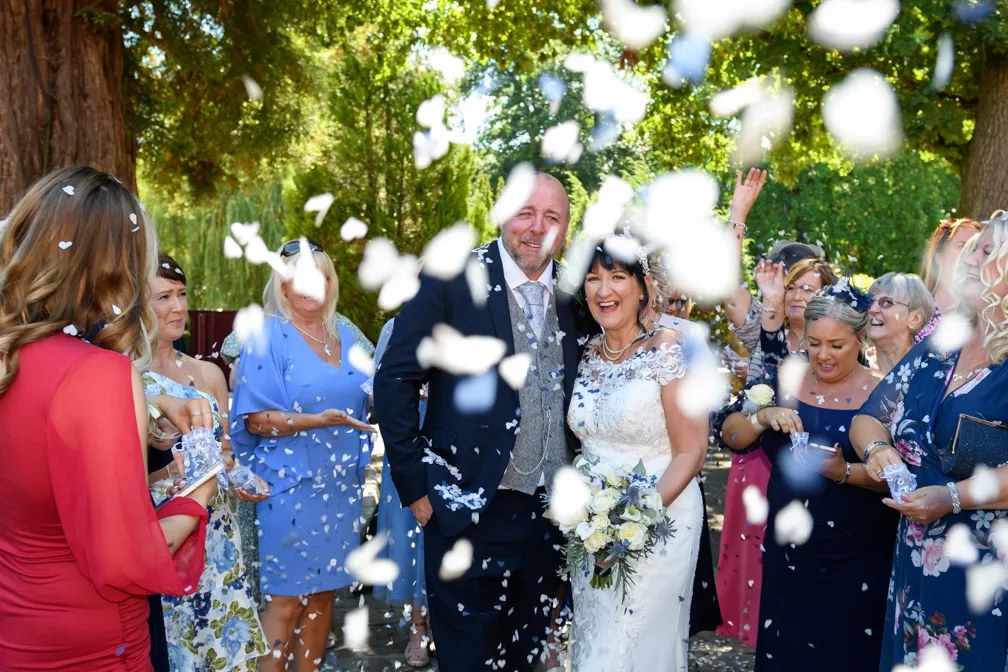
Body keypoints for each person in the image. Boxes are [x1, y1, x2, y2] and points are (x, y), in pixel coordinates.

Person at [0, 166, 216, 670]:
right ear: (117, 266)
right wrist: (202, 488)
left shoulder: (13, 360)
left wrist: (149, 405)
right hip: (93, 644)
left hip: (17, 630)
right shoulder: (99, 374)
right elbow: (130, 559)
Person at [374, 172, 582, 672]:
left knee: (526, 656)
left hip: (551, 517)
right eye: (525, 213)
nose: (536, 228)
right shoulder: (450, 279)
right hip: (463, 504)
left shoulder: (579, 290)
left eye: (551, 217)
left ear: (565, 228)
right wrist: (417, 488)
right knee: (466, 659)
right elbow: (394, 380)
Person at [717, 279, 899, 671]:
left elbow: (898, 480)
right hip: (790, 555)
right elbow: (730, 434)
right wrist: (761, 416)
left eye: (837, 345)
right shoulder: (785, 378)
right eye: (814, 343)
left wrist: (845, 472)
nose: (823, 355)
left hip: (858, 558)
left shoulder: (886, 394)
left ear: (861, 338)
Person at [852, 215, 1008, 670]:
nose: (971, 259)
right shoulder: (943, 341)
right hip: (917, 554)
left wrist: (952, 497)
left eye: (988, 252)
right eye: (973, 249)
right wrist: (879, 452)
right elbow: (868, 417)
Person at [229, 239, 375, 672]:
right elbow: (254, 420)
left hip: (340, 487)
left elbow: (369, 397)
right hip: (289, 488)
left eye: (323, 275)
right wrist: (317, 420)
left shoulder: (345, 334)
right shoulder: (268, 336)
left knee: (324, 598)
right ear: (284, 285)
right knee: (288, 601)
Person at [567, 238, 707, 671]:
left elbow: (692, 451)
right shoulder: (587, 354)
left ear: (643, 286)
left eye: (616, 277)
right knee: (595, 641)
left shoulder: (670, 348)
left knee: (635, 648)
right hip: (591, 528)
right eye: (593, 278)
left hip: (659, 519)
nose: (603, 290)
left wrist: (633, 522)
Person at [144, 253, 269, 671]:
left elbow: (226, 452)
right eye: (163, 297)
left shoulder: (209, 373)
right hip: (165, 532)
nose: (178, 307)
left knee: (218, 648)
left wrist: (241, 475)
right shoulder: (123, 375)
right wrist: (166, 469)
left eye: (180, 294)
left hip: (217, 536)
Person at [712, 255, 839, 648]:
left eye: (810, 288)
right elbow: (729, 289)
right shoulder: (767, 332)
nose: (798, 295)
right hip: (756, 462)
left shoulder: (838, 350)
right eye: (794, 286)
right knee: (755, 566)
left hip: (806, 471)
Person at [369, 316, 431, 668]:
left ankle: (449, 620)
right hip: (408, 433)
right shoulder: (398, 326)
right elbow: (379, 395)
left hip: (458, 434)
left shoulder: (473, 319)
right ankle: (418, 626)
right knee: (411, 532)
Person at [867, 272, 935, 375]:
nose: (872, 309)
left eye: (886, 302)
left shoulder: (931, 372)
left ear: (915, 319)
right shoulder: (852, 364)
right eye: (869, 301)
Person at [920, 217, 982, 314]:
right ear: (938, 256)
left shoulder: (986, 318)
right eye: (962, 246)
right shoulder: (913, 312)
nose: (971, 257)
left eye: (974, 248)